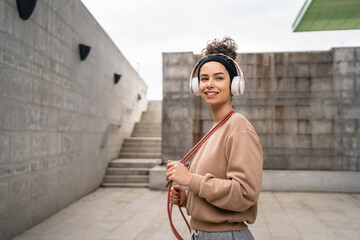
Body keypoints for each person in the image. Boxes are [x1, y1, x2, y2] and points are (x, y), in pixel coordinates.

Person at [166, 37, 263, 240]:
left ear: (235, 85)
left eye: (219, 78)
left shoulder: (238, 127)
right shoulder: (217, 128)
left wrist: (191, 180)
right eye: (204, 78)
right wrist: (187, 199)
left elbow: (244, 193)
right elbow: (214, 190)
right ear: (196, 85)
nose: (210, 84)